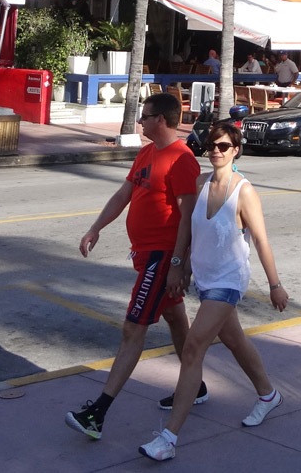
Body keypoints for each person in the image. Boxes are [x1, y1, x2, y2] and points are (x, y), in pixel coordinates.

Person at [138, 119, 288, 461]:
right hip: (204, 279)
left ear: (236, 150)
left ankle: (168, 438)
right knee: (234, 340)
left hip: (229, 280)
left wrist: (275, 285)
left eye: (223, 147)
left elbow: (262, 240)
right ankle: (268, 394)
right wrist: (181, 266)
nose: (215, 152)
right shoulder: (200, 182)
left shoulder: (244, 191)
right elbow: (189, 232)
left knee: (192, 348)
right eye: (211, 146)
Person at [66, 93, 201, 441]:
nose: (140, 121)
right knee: (175, 319)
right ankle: (196, 384)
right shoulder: (147, 152)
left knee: (132, 332)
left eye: (146, 116)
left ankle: (98, 413)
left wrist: (177, 264)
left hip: (161, 257)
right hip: (144, 254)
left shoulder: (182, 159)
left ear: (163, 120)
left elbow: (189, 217)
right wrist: (96, 227)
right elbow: (124, 194)